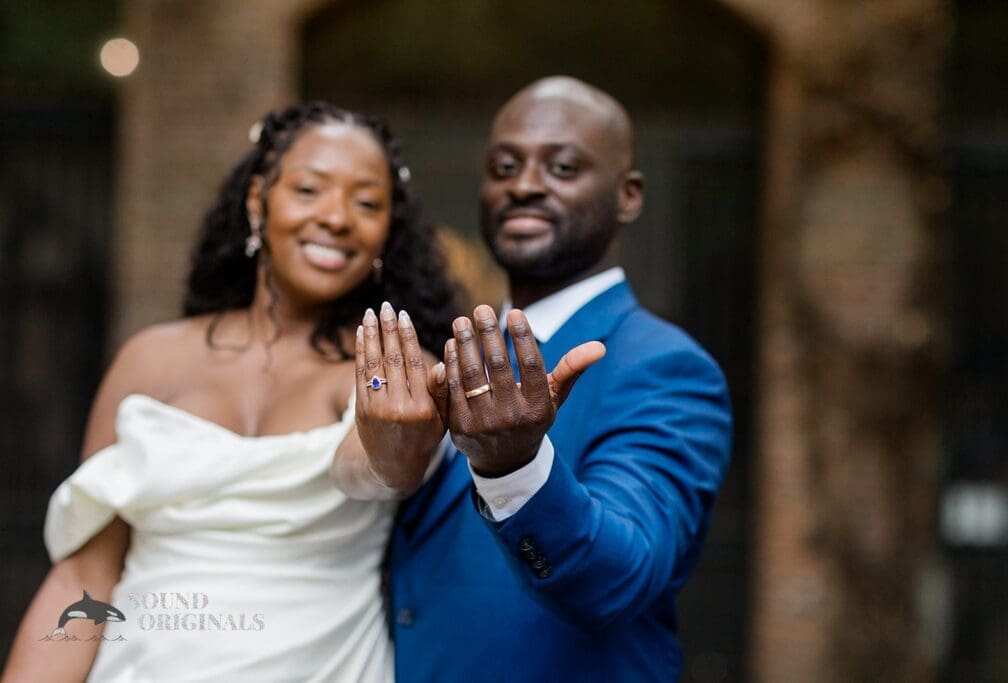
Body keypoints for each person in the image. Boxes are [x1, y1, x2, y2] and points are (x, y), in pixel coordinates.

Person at [2, 101, 460, 682]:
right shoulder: (151, 359)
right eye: (309, 189)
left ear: (387, 233)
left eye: (367, 203)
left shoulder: (394, 369)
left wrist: (391, 445)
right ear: (257, 201)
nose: (336, 217)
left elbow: (376, 470)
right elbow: (83, 577)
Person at [360, 76, 734, 682]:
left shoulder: (667, 368)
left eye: (562, 167)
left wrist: (514, 468)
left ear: (628, 195)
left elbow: (619, 583)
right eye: (505, 167)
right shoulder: (451, 350)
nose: (525, 185)